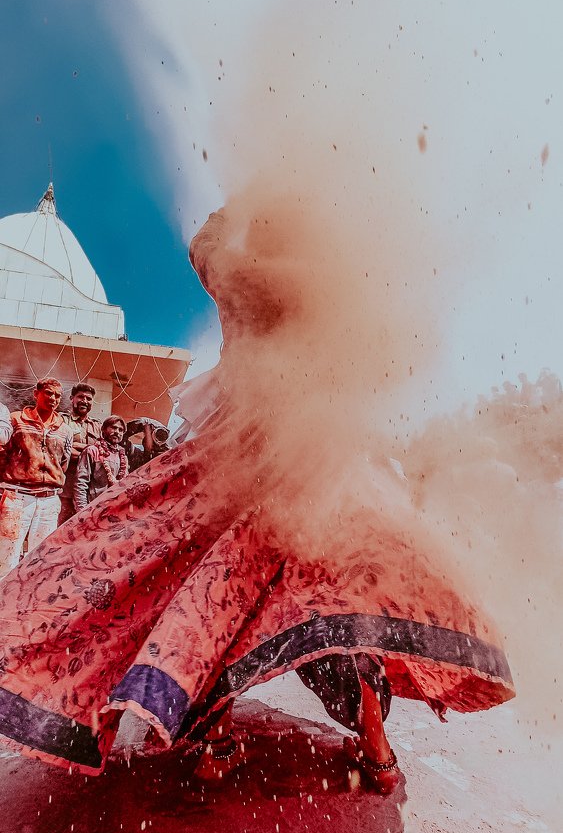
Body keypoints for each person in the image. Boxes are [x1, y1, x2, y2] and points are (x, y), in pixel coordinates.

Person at [0, 209, 514, 790]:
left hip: (237, 470)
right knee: (343, 607)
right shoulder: (322, 292)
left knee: (212, 602)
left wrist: (242, 205)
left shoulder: (239, 277)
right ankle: (377, 751)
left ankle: (219, 743)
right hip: (314, 474)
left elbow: (204, 244)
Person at [0, 378, 72, 579]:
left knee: (41, 557)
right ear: (36, 394)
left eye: (57, 395)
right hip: (17, 497)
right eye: (48, 393)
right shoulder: (16, 420)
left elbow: (63, 463)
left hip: (49, 499)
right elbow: (2, 455)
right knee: (7, 554)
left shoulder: (65, 429)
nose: (53, 398)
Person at [59, 383, 102, 523]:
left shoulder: (97, 426)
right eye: (80, 397)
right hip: (66, 489)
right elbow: (61, 449)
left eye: (88, 398)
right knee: (61, 527)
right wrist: (89, 450)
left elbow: (101, 453)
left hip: (88, 491)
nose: (84, 401)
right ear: (72, 398)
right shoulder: (62, 421)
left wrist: (76, 447)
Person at [74, 416, 128, 511]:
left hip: (114, 508)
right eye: (114, 427)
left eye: (120, 430)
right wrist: (82, 511)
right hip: (93, 508)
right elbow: (80, 483)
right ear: (103, 429)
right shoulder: (92, 451)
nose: (117, 432)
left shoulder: (123, 457)